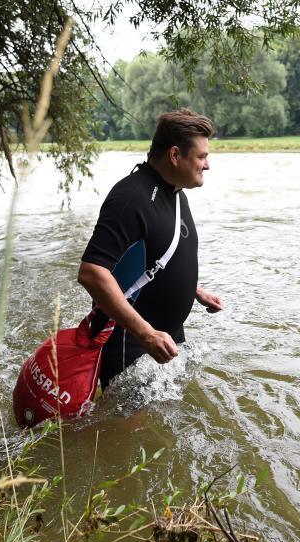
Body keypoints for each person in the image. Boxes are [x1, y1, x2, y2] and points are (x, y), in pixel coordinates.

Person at [77, 109, 224, 390]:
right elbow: (92, 273)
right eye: (202, 156)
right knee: (128, 430)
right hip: (130, 342)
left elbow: (157, 255)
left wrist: (195, 290)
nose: (207, 165)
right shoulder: (130, 197)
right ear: (175, 155)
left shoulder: (176, 193)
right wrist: (146, 335)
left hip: (166, 337)